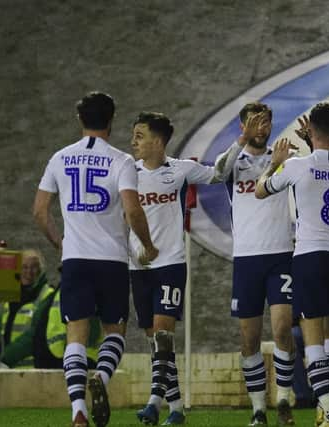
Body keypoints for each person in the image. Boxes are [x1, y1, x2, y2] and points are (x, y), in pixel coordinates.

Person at [33, 91, 158, 427]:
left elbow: (40, 211)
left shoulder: (60, 159)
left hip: (76, 259)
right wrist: (147, 245)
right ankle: (100, 380)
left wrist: (60, 243)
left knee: (76, 332)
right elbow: (132, 209)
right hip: (112, 261)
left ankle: (78, 410)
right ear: (112, 121)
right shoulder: (121, 161)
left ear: (80, 120)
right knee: (114, 331)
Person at [255, 102, 329, 427]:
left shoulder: (296, 167)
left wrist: (274, 164)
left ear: (311, 131)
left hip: (309, 256)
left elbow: (261, 190)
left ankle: (327, 411)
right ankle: (327, 405)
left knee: (311, 333)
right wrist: (318, 143)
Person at [129, 112, 223, 425]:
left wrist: (240, 142)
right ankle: (177, 408)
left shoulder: (181, 170)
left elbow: (219, 174)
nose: (134, 142)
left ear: (158, 141)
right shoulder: (128, 173)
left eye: (140, 136)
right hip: (138, 267)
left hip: (170, 263)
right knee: (153, 340)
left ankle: (154, 401)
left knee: (163, 334)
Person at [213, 102, 296, 426]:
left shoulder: (284, 158)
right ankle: (258, 409)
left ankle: (285, 401)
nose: (262, 127)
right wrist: (241, 141)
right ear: (243, 127)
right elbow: (218, 171)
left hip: (280, 256)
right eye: (254, 123)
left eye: (266, 122)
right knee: (248, 339)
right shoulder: (236, 161)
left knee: (282, 330)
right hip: (246, 259)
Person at [0, 283, 104, 370]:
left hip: (74, 365)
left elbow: (90, 332)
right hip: (62, 365)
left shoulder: (81, 290)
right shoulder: (60, 292)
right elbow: (35, 332)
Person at [0, 249, 54, 367]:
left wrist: (7, 356)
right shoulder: (11, 296)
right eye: (24, 267)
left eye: (33, 267)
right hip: (5, 367)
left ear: (40, 270)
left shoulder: (46, 295)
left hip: (32, 369)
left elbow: (34, 335)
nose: (28, 272)